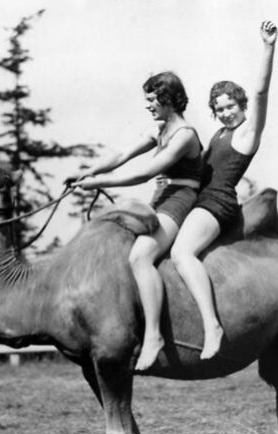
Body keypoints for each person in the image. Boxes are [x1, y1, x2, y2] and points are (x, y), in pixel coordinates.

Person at [72, 71, 204, 371]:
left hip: (180, 200)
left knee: (141, 257)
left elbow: (146, 172)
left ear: (169, 99)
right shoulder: (161, 128)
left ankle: (154, 337)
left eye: (152, 99)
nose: (148, 106)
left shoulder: (185, 135)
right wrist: (89, 172)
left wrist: (100, 183)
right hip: (161, 197)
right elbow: (122, 154)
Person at [168, 20, 278, 362]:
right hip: (199, 200)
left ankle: (212, 326)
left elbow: (261, 91)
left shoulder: (247, 134)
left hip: (218, 203)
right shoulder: (217, 136)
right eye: (220, 109)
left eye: (231, 106)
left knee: (182, 254)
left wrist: (268, 47)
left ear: (242, 105)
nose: (226, 113)